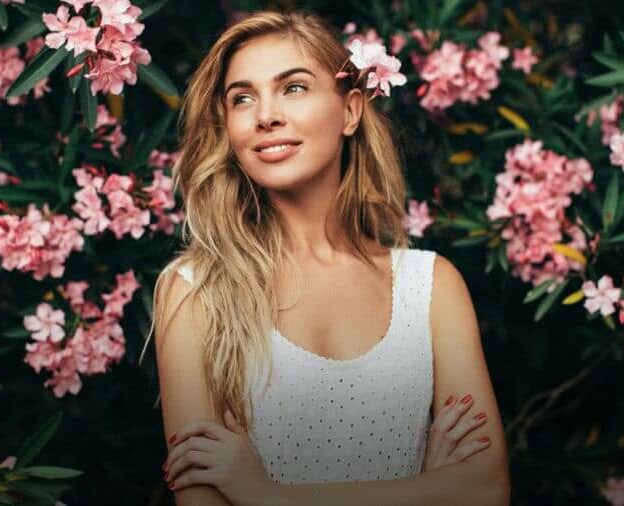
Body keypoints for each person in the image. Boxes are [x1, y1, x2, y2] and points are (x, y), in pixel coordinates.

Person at [142, 9, 510, 506]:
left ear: (351, 111)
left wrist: (264, 495)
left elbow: (487, 491)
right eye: (243, 98)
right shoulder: (193, 291)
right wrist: (427, 489)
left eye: (293, 87)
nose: (265, 114)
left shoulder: (431, 286)